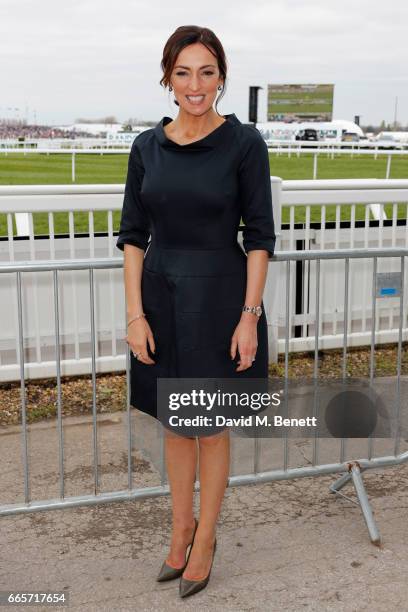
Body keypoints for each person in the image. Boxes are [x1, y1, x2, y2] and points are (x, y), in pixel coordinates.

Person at [116, 25, 276, 598]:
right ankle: (180, 529)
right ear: (168, 78)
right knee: (175, 425)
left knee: (209, 427)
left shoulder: (244, 143)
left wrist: (249, 316)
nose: (195, 84)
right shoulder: (145, 147)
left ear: (221, 77)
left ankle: (206, 537)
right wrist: (135, 314)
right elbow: (133, 235)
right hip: (160, 296)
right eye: (183, 72)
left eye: (207, 71)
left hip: (221, 298)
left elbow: (259, 236)